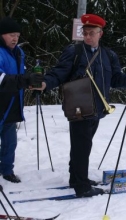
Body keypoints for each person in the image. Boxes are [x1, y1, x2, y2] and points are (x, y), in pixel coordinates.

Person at [38, 14, 126, 197]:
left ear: (100, 33)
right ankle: (82, 186)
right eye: (85, 33)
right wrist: (45, 84)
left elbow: (116, 79)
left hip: (98, 109)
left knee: (82, 145)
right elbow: (59, 73)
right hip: (79, 107)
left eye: (91, 33)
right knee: (82, 146)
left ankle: (76, 177)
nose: (87, 36)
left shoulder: (108, 55)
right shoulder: (75, 52)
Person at [0, 17, 43, 183]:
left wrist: (32, 84)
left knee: (10, 143)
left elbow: (20, 75)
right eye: (11, 34)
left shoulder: (19, 52)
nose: (15, 38)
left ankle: (6, 170)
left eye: (17, 35)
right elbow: (2, 79)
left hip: (12, 106)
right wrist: (25, 80)